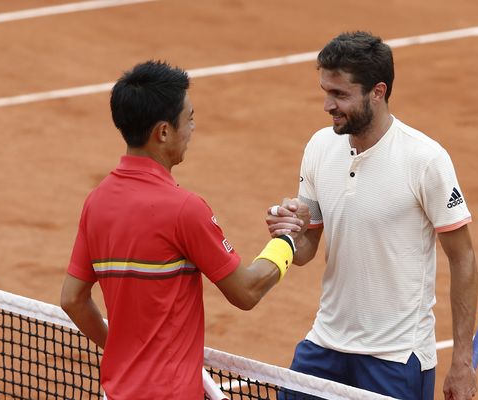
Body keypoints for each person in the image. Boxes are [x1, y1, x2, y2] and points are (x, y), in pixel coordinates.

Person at [60, 60, 303, 400]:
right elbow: (246, 292)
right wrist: (287, 240)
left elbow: (72, 299)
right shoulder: (184, 210)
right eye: (188, 119)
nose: (192, 128)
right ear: (163, 132)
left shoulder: (96, 202)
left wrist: (124, 352)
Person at [267, 32, 478, 400]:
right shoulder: (319, 147)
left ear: (377, 92)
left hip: (395, 357)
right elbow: (306, 251)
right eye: (325, 91)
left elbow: (463, 259)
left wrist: (462, 359)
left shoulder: (425, 160)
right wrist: (289, 233)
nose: (327, 105)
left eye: (340, 94)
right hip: (325, 343)